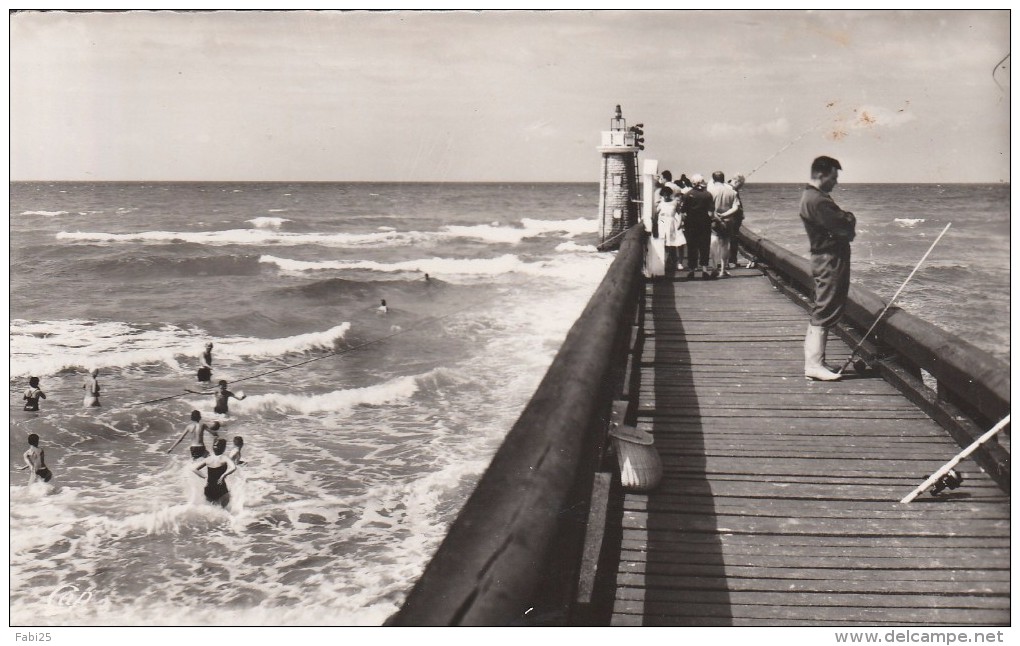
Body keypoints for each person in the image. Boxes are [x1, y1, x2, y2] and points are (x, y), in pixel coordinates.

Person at [800, 155, 856, 381]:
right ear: (822, 175)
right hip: (829, 259)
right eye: (834, 177)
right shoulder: (819, 201)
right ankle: (813, 365)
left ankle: (817, 361)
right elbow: (844, 227)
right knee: (825, 308)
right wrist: (850, 218)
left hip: (824, 257)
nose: (836, 182)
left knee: (823, 306)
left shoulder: (810, 197)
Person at [681, 174, 716, 279]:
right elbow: (711, 212)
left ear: (693, 183)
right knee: (704, 247)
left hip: (690, 224)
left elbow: (683, 212)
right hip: (704, 224)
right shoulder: (708, 195)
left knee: (692, 247)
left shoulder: (688, 194)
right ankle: (704, 270)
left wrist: (683, 222)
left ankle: (692, 270)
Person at [707, 171, 741, 277]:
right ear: (723, 179)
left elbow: (708, 208)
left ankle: (714, 267)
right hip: (728, 221)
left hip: (713, 220)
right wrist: (724, 215)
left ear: (713, 179)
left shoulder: (709, 191)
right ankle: (723, 269)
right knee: (725, 245)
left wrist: (717, 217)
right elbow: (736, 207)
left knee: (713, 243)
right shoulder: (732, 192)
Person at [193, 438, 236, 508]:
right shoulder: (224, 458)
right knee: (224, 509)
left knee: (210, 509)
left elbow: (194, 469)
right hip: (220, 487)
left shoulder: (208, 459)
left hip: (209, 488)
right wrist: (223, 475)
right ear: (224, 448)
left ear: (213, 447)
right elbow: (233, 467)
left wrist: (205, 477)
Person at [657, 187, 685, 275]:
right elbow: (657, 215)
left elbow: (679, 213)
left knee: (679, 243)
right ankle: (668, 262)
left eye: (667, 194)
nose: (665, 196)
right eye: (664, 194)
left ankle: (680, 263)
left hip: (673, 222)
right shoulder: (661, 204)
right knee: (666, 244)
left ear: (669, 194)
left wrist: (680, 222)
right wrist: (659, 224)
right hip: (663, 223)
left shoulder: (674, 202)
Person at [642, 187, 668, 278]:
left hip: (664, 222)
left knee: (666, 242)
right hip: (662, 223)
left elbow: (656, 213)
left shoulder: (661, 204)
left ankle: (665, 262)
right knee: (664, 240)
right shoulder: (661, 203)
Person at [727, 174, 746, 267]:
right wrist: (741, 213)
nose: (740, 187)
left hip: (731, 218)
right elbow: (737, 205)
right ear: (737, 182)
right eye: (740, 185)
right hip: (733, 218)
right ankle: (732, 261)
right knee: (733, 239)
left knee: (730, 239)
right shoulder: (733, 191)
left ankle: (730, 260)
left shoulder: (728, 187)